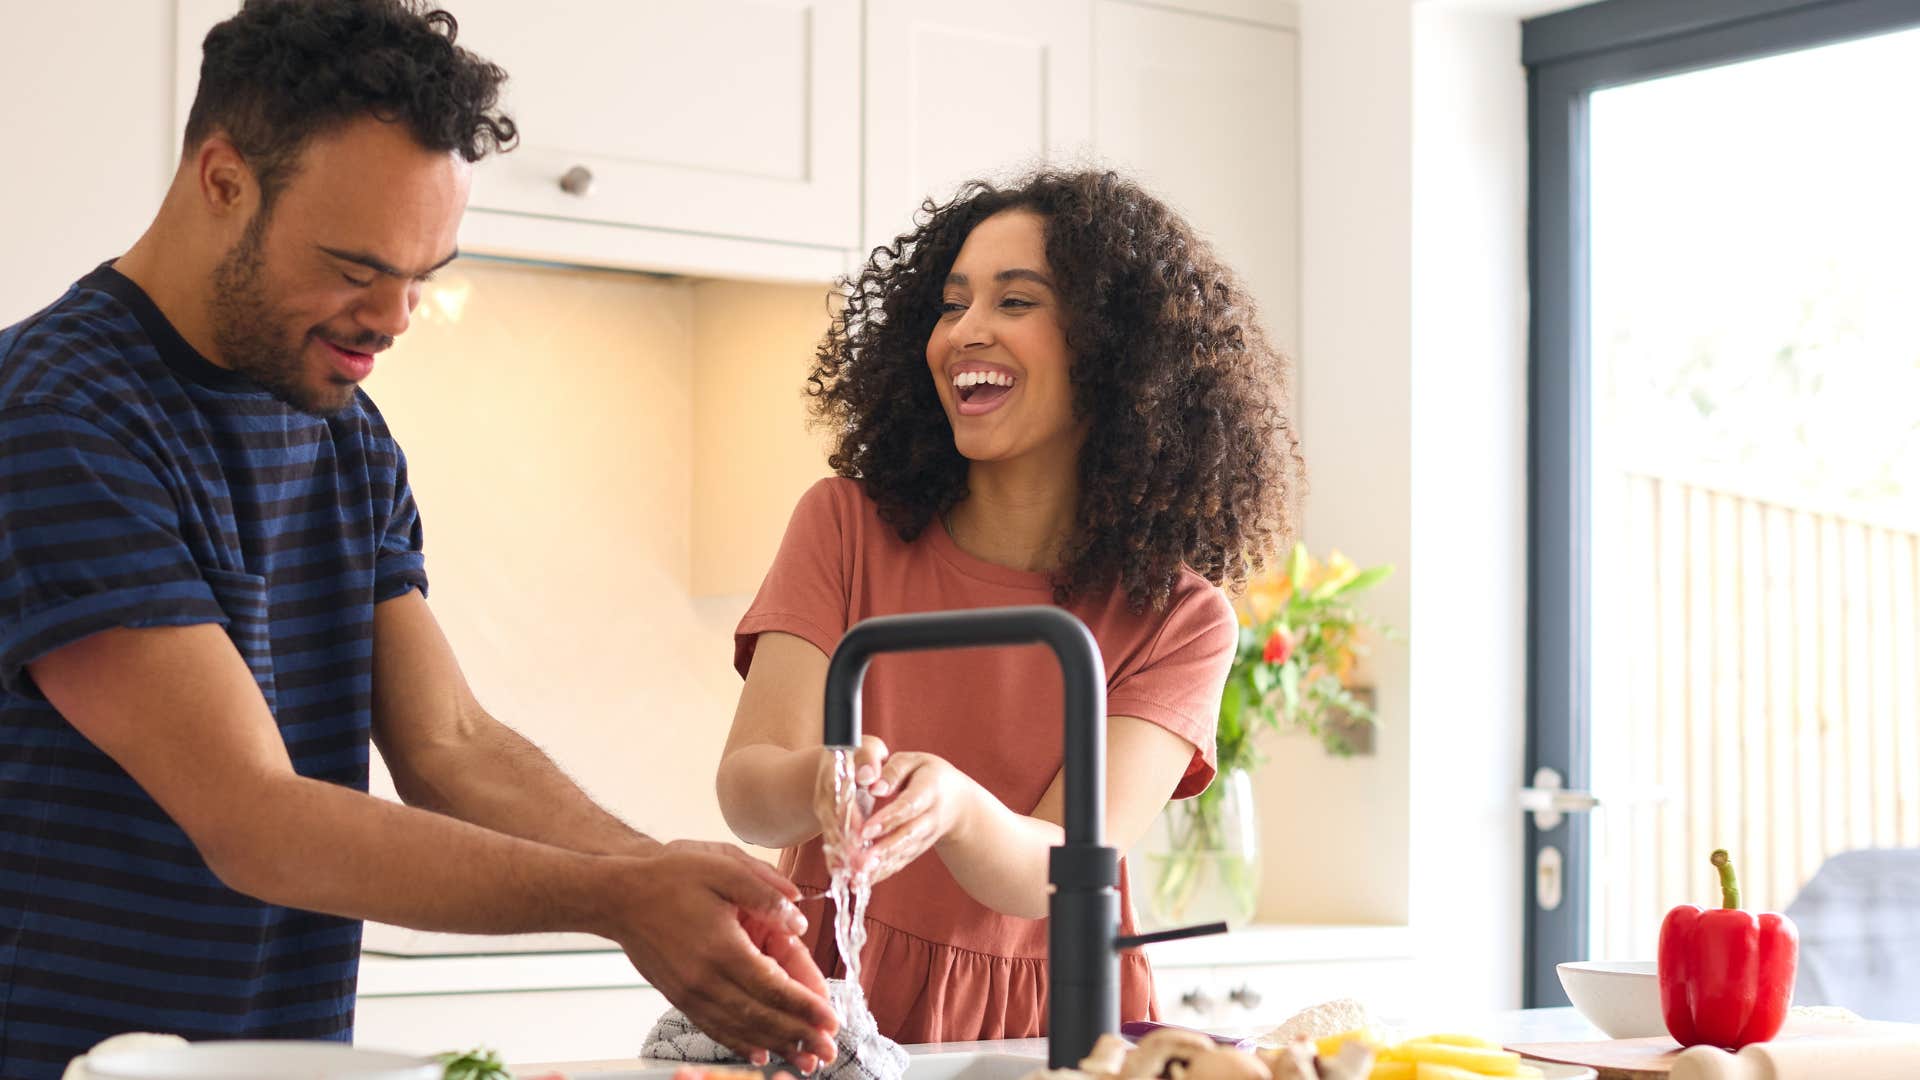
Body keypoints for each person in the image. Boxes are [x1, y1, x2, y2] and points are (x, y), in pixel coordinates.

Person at [0, 3, 835, 1076]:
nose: (394, 318)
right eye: (357, 267)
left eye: (423, 276)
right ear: (222, 180)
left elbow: (450, 745)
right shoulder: (58, 416)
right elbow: (252, 816)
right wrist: (613, 897)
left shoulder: (344, 430)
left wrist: (663, 871)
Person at [715, 169, 1304, 1042]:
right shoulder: (842, 526)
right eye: (952, 305)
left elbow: (1063, 868)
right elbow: (748, 789)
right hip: (829, 987)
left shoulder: (1179, 616)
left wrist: (951, 805)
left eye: (1015, 302)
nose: (967, 332)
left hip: (1047, 1018)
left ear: (1112, 352)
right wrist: (824, 784)